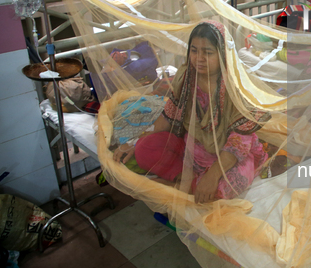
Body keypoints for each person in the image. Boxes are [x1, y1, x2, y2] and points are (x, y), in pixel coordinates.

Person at [113, 21, 270, 204]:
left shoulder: (237, 87)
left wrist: (212, 176)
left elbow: (239, 143)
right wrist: (133, 142)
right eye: (194, 51)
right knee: (144, 149)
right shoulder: (186, 78)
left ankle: (184, 184)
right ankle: (186, 180)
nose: (199, 58)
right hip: (193, 150)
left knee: (227, 185)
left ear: (223, 54)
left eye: (208, 52)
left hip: (228, 157)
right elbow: (168, 116)